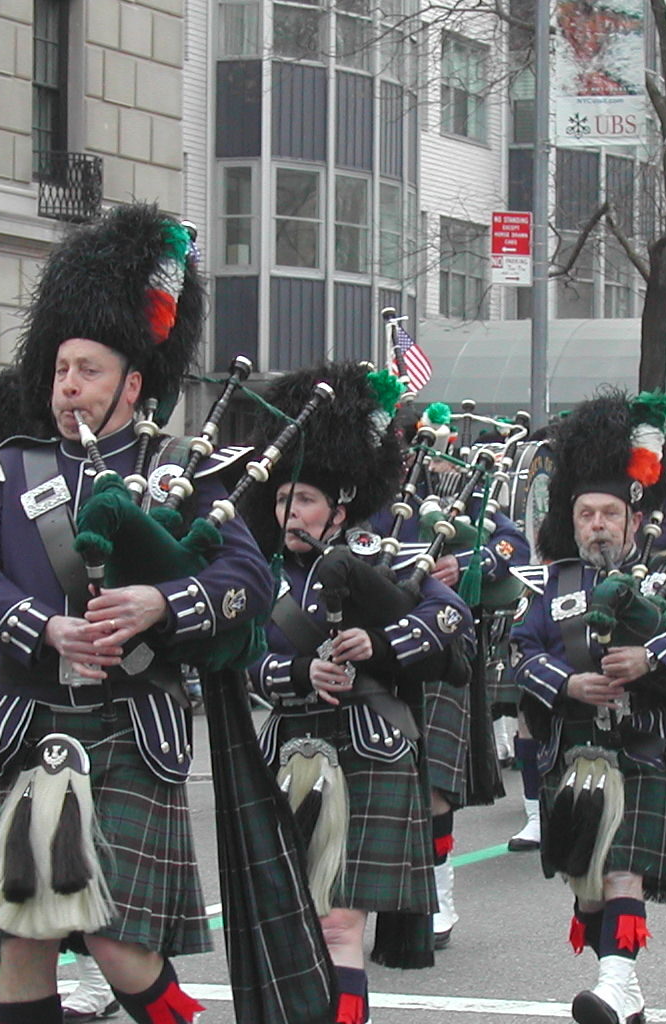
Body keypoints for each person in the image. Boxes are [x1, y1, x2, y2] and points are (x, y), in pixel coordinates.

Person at [0, 204, 275, 1024]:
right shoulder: (14, 471)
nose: (66, 388)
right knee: (22, 942)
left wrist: (162, 600)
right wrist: (42, 626)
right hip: (27, 721)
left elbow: (249, 579)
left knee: (117, 943)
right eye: (59, 372)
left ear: (131, 382)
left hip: (130, 727)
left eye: (85, 371)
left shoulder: (180, 471)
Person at [246, 362, 466, 1023]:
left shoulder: (390, 557)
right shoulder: (258, 571)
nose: (291, 512)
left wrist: (382, 644)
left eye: (305, 501)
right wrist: (295, 675)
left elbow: (452, 621)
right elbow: (240, 658)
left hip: (369, 747)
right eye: (284, 499)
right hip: (287, 750)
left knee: (340, 924)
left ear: (339, 508)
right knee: (297, 925)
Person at [510, 390, 666, 1024]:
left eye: (610, 512)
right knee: (590, 894)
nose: (597, 525)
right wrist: (566, 684)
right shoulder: (554, 585)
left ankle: (613, 986)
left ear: (635, 520)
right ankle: (626, 992)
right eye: (586, 514)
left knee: (622, 873)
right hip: (576, 758)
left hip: (643, 752)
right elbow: (519, 658)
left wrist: (651, 661)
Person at [368, 406, 528, 949]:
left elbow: (513, 545)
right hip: (367, 652)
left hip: (438, 644)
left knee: (433, 784)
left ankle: (439, 896)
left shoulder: (461, 492)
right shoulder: (362, 502)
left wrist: (468, 564)